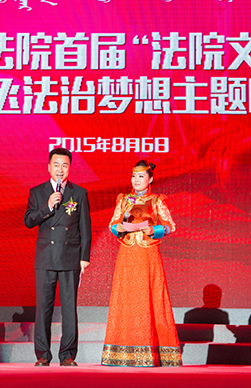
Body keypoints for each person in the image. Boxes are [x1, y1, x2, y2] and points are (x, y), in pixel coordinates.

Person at [101, 160, 182, 367]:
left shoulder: (156, 201)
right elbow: (112, 224)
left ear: (150, 179)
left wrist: (154, 230)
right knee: (127, 298)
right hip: (128, 253)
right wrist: (118, 228)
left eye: (141, 176)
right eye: (134, 176)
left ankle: (152, 350)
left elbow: (170, 225)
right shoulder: (124, 200)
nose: (136, 180)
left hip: (148, 254)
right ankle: (122, 351)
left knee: (148, 297)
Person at [24, 147, 92, 366]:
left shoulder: (78, 193)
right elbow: (28, 221)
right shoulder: (37, 192)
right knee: (43, 308)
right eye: (56, 165)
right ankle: (43, 354)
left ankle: (68, 354)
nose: (60, 170)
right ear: (48, 167)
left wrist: (84, 257)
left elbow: (85, 228)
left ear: (69, 168)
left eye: (64, 165)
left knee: (69, 309)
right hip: (45, 257)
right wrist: (47, 206)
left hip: (70, 256)